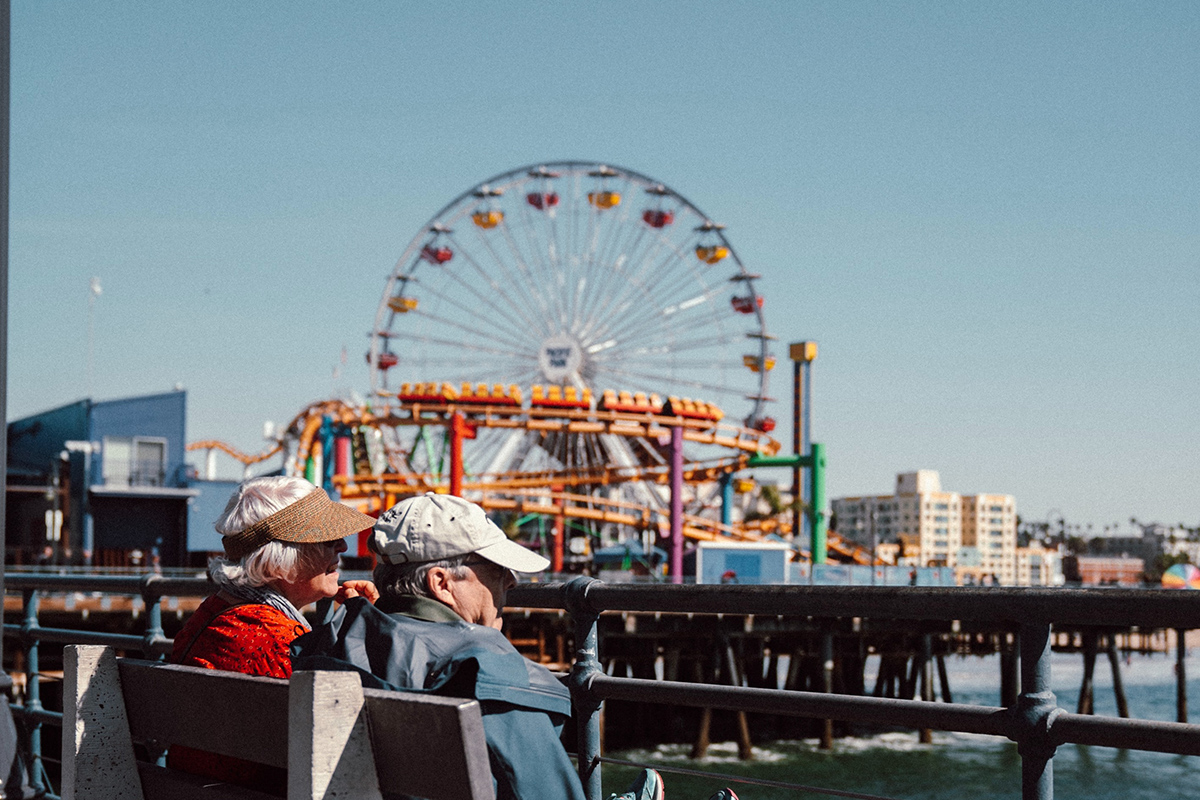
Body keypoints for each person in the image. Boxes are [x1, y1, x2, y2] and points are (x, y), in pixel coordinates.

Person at [292, 493, 735, 800]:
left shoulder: (331, 642)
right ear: (442, 583)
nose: (511, 581)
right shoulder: (483, 669)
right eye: (494, 568)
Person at [169, 475, 377, 795]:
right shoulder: (279, 640)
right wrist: (370, 628)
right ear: (280, 560)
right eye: (326, 539)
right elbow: (345, 738)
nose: (343, 546)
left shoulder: (211, 613)